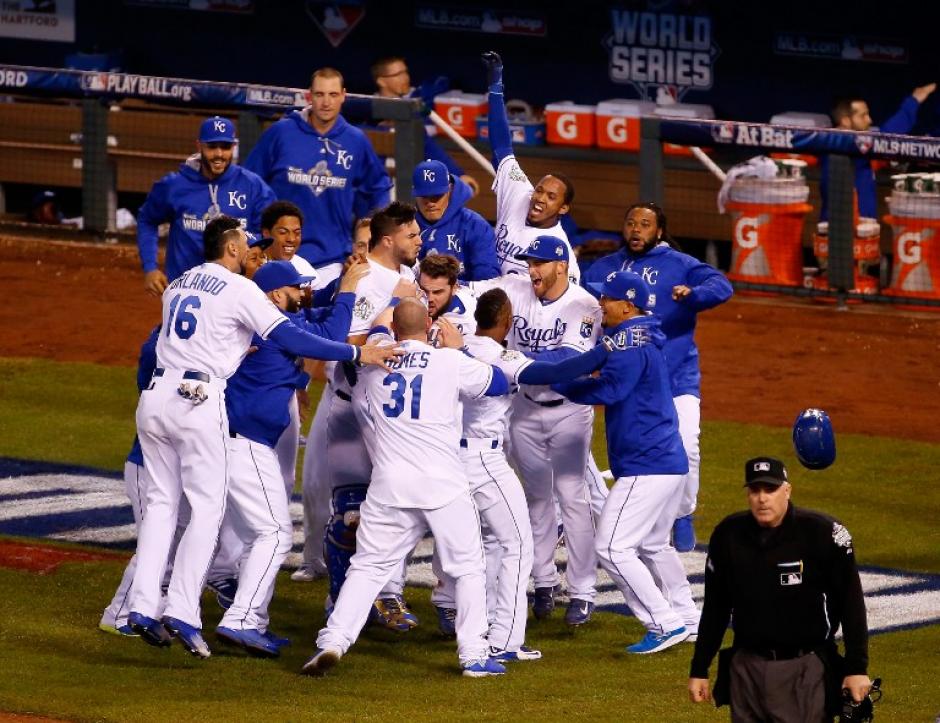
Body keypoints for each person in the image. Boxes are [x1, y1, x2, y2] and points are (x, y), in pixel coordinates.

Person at [126, 215, 398, 658]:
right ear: (231, 248)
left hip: (155, 399)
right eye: (246, 244)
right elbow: (291, 333)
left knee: (162, 505)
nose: (252, 251)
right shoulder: (240, 290)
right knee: (208, 511)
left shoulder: (179, 283)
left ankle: (141, 608)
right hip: (199, 400)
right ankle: (182, 612)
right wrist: (357, 350)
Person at [301, 299, 511, 678]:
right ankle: (474, 655)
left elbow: (371, 352)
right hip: (442, 483)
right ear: (429, 323)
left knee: (367, 568)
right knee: (468, 568)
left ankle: (332, 641)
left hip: (389, 484)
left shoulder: (372, 368)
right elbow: (496, 383)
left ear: (395, 329)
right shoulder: (449, 362)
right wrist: (459, 348)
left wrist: (383, 329)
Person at [431, 287, 613, 655]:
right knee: (515, 542)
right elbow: (559, 370)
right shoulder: (502, 357)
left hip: (444, 460)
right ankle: (505, 640)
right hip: (484, 460)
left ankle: (448, 608)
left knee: (460, 543)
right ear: (504, 322)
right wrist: (605, 349)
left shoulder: (450, 352)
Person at [213, 260, 368, 657]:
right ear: (278, 294)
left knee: (257, 536)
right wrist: (349, 289)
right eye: (298, 288)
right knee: (277, 534)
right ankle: (240, 620)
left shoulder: (278, 318)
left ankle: (252, 621)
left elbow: (317, 311)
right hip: (242, 442)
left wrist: (344, 279)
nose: (305, 294)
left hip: (234, 439)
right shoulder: (275, 329)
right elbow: (330, 333)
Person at [553, 271, 699, 654]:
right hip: (666, 460)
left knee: (613, 547)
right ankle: (687, 617)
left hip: (647, 464)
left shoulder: (631, 345)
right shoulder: (639, 335)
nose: (602, 304)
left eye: (608, 299)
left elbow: (611, 389)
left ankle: (664, 623)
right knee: (653, 544)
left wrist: (562, 385)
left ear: (628, 305)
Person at [582, 202, 733, 553]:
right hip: (629, 379)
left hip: (676, 378)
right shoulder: (606, 267)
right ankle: (631, 519)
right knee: (629, 450)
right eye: (631, 222)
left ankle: (682, 514)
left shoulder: (679, 265)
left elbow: (721, 285)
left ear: (659, 231)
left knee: (687, 444)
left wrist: (695, 295)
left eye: (645, 224)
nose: (636, 229)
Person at [474, 235, 602, 626]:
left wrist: (514, 358)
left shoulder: (585, 306)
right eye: (530, 263)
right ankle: (544, 581)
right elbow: (471, 294)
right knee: (537, 499)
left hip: (569, 411)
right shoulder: (514, 287)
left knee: (573, 498)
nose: (533, 270)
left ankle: (582, 592)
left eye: (541, 264)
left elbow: (568, 360)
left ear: (561, 265)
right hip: (524, 412)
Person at [688, 457, 871, 721]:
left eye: (770, 490)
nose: (762, 498)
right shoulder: (728, 535)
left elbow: (850, 603)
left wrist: (856, 668)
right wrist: (699, 668)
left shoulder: (822, 533)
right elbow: (716, 608)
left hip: (804, 670)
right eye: (755, 490)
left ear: (787, 491)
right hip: (746, 669)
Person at [315, 202, 424, 631]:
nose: (419, 240)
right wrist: (388, 313)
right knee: (349, 515)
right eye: (411, 235)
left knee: (396, 510)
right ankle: (341, 600)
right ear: (387, 239)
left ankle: (389, 597)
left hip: (391, 417)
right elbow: (343, 343)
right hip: (350, 408)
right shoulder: (364, 278)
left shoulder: (407, 277)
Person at [244, 67, 393, 282]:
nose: (326, 102)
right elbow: (249, 183)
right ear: (309, 96)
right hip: (278, 257)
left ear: (343, 96)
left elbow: (378, 188)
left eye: (333, 95)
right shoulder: (280, 133)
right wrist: (255, 238)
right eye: (319, 94)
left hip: (332, 261)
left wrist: (370, 228)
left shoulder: (356, 140)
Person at [294, 217, 374, 584]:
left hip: (377, 407)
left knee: (376, 494)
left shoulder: (400, 284)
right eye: (360, 244)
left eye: (370, 245)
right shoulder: (330, 275)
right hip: (335, 394)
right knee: (313, 483)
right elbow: (305, 327)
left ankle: (374, 576)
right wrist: (300, 382)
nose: (363, 251)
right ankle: (314, 561)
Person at [136, 115, 276, 296]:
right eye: (212, 147)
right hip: (184, 289)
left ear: (234, 147)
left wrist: (242, 240)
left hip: (235, 291)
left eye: (225, 147)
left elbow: (268, 233)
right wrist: (150, 267)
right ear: (199, 146)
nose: (219, 154)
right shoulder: (175, 185)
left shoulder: (252, 186)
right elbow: (147, 219)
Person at [480, 51, 580, 281]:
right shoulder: (520, 193)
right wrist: (495, 87)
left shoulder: (560, 252)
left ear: (563, 208)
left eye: (552, 197)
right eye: (540, 190)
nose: (540, 198)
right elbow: (501, 147)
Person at [821, 83, 936, 221]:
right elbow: (888, 134)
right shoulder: (838, 144)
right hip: (841, 226)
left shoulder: (853, 145)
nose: (869, 120)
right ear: (845, 121)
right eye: (863, 116)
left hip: (865, 225)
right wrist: (914, 100)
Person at [371, 55, 480, 196]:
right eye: (398, 74)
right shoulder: (364, 112)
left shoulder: (412, 110)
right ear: (381, 81)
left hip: (405, 190)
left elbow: (428, 146)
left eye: (406, 72)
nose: (405, 78)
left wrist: (458, 175)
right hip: (375, 188)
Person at [413, 160, 500, 282]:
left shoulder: (475, 225)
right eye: (424, 197)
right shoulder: (405, 226)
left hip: (466, 297)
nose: (431, 203)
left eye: (437, 196)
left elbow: (488, 281)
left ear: (450, 189)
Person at [418, 254, 478, 344]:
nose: (429, 298)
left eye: (437, 292)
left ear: (454, 288)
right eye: (424, 290)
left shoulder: (468, 323)